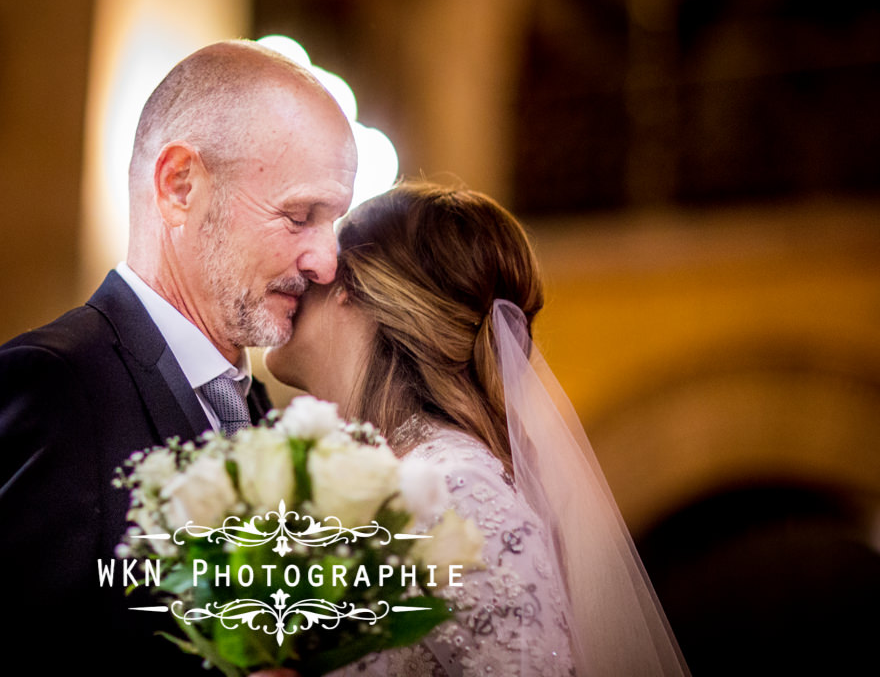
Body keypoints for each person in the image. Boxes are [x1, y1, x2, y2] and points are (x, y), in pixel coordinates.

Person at [0, 40, 357, 675]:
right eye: (300, 215)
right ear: (179, 185)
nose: (326, 261)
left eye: (334, 224)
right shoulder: (51, 392)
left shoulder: (255, 410)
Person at [266, 181, 690, 676]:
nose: (304, 266)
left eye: (327, 248)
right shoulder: (386, 482)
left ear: (354, 290)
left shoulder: (454, 493)